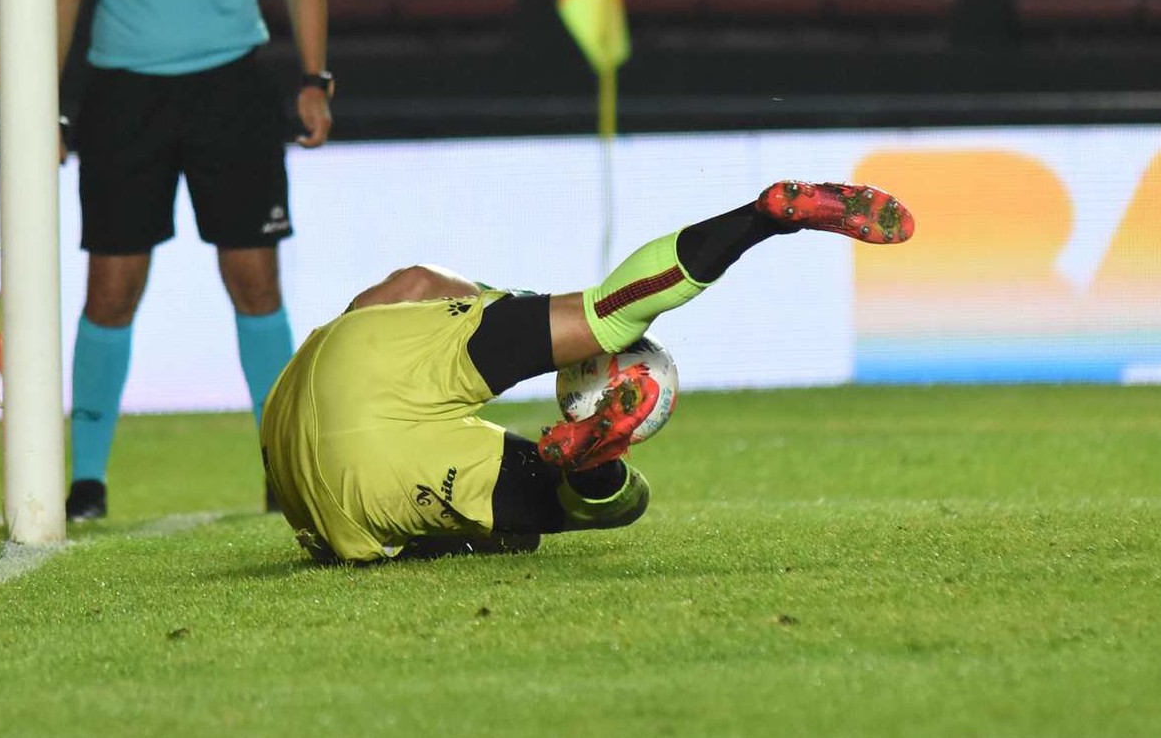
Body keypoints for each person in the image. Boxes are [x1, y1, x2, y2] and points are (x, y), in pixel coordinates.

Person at [261, 180, 916, 563]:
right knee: (607, 331)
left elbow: (412, 283)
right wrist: (535, 320)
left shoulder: (308, 384)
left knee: (529, 506)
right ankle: (760, 217)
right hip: (369, 399)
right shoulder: (401, 316)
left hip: (320, 431)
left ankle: (592, 444)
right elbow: (419, 281)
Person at [54, 0, 333, 520]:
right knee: (110, 288)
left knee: (254, 282)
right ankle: (86, 482)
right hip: (122, 94)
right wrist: (46, 102)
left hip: (229, 89)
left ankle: (281, 469)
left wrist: (314, 80)